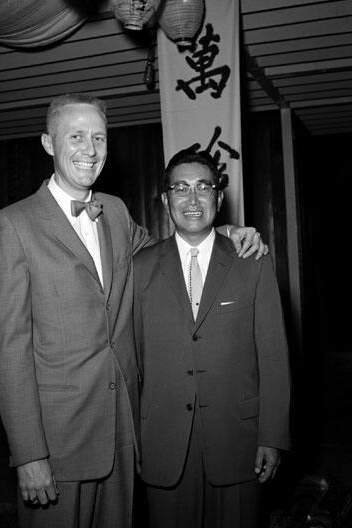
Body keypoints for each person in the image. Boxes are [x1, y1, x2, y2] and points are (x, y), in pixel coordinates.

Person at [0, 94, 267, 528]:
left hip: (123, 431)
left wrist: (219, 231)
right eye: (76, 136)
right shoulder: (13, 225)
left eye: (99, 137)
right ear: (47, 143)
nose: (90, 150)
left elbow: (160, 252)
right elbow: (7, 353)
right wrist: (29, 453)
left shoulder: (113, 210)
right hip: (58, 440)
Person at [134, 145, 291, 528]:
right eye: (180, 188)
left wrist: (272, 436)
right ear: (165, 199)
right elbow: (132, 360)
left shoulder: (252, 261)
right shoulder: (139, 269)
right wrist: (136, 440)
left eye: (203, 187)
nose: (192, 198)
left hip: (238, 442)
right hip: (164, 442)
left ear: (218, 197)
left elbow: (273, 356)